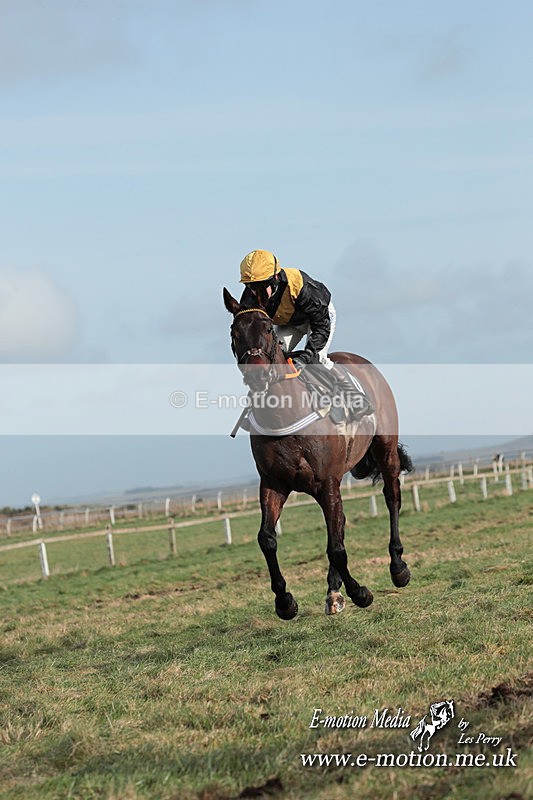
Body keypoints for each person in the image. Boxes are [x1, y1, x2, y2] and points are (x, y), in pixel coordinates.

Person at [238, 249, 373, 422]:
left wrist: (308, 355)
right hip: (289, 323)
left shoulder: (302, 288)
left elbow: (320, 326)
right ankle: (259, 406)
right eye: (250, 287)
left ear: (275, 279)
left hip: (318, 319)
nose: (255, 293)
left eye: (260, 286)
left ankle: (356, 396)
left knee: (318, 359)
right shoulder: (250, 298)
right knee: (272, 357)